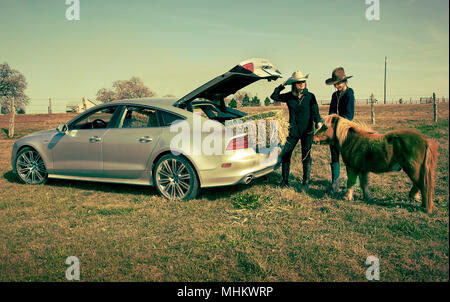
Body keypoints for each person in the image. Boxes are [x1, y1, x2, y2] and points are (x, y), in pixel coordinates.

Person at [271, 71, 323, 190]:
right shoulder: (289, 96)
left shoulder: (310, 96)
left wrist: (318, 122)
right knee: (286, 154)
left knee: (306, 156)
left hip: (307, 132)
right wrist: (281, 85)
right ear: (294, 84)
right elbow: (274, 96)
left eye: (303, 81)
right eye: (298, 82)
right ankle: (285, 181)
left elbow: (315, 112)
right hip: (293, 131)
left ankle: (306, 182)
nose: (301, 84)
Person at [325, 67, 355, 193]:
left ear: (344, 82)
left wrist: (337, 123)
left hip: (345, 131)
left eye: (338, 83)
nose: (336, 86)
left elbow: (349, 115)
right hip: (334, 131)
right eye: (335, 84)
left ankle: (351, 185)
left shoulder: (349, 94)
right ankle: (335, 184)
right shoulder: (334, 95)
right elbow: (331, 112)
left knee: (348, 159)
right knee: (334, 156)